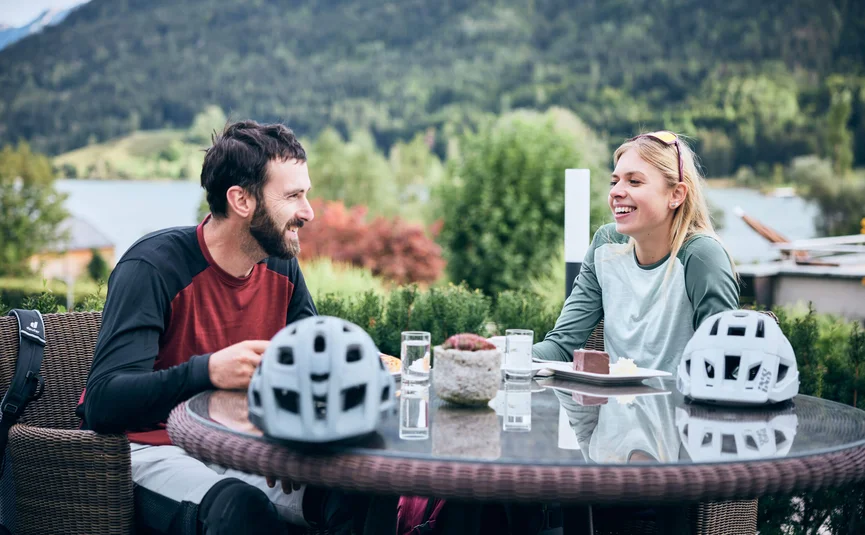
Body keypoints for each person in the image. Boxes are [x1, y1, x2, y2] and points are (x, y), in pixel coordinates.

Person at [77, 120, 357, 534]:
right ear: (241, 200)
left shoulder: (281, 267)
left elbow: (312, 365)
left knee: (353, 491)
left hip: (239, 447)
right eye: (294, 195)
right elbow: (103, 402)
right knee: (240, 509)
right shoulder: (152, 268)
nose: (308, 211)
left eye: (306, 193)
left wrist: (295, 430)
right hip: (149, 449)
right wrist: (207, 371)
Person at [533, 131, 739, 372]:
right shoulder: (605, 244)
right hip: (614, 407)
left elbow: (725, 366)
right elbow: (560, 347)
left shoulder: (702, 255)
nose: (616, 192)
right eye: (614, 181)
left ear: (676, 195)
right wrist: (500, 351)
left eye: (634, 181)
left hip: (686, 409)